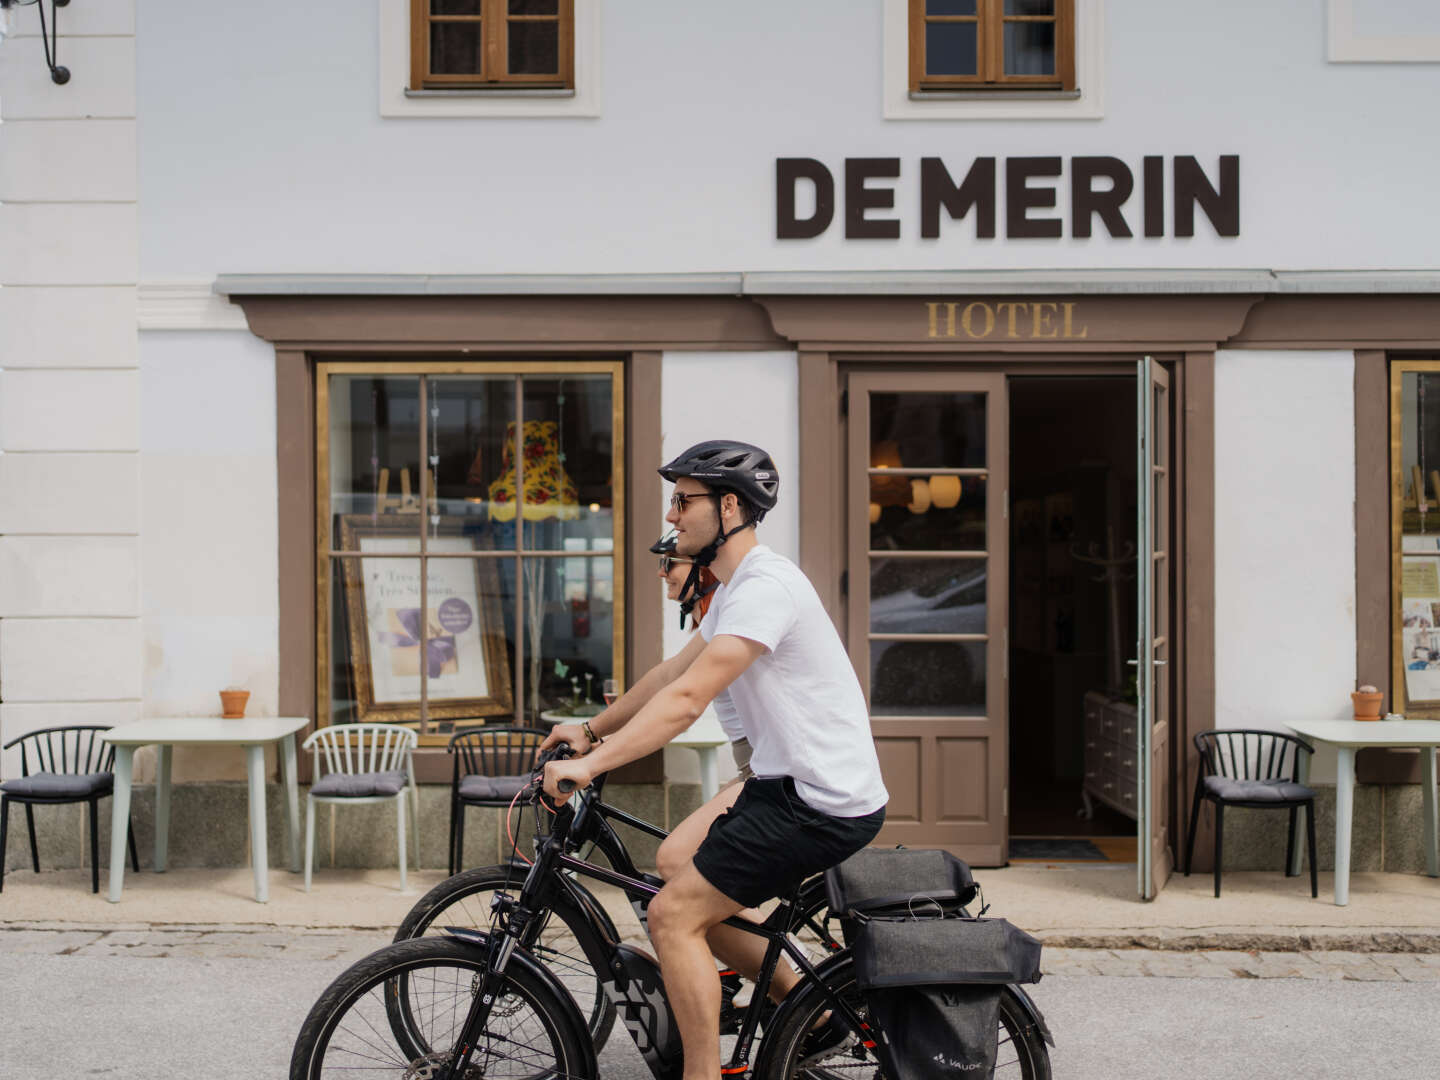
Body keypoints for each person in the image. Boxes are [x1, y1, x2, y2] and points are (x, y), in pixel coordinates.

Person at [541, 439, 888, 1079]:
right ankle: (804, 1008)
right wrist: (590, 728)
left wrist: (589, 766)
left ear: (729, 506)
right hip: (786, 787)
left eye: (683, 501)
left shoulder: (766, 586)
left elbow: (687, 698)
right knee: (673, 880)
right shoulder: (733, 591)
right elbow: (670, 673)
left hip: (819, 800)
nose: (672, 516)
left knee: (672, 915)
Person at [652, 529, 753, 784]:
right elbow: (670, 675)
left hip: (767, 771)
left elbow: (684, 702)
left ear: (702, 570)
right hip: (753, 767)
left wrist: (603, 744)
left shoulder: (727, 629)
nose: (661, 573)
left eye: (669, 563)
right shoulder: (713, 625)